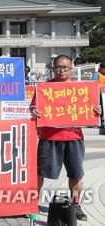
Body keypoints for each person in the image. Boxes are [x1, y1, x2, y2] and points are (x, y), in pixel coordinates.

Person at [30, 55, 102, 221]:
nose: (61, 70)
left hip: (73, 136)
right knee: (40, 174)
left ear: (71, 69)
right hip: (49, 137)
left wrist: (97, 110)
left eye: (65, 67)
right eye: (58, 67)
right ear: (53, 69)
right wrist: (33, 111)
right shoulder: (44, 88)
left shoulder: (81, 88)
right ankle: (33, 204)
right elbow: (33, 107)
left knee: (76, 174)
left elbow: (92, 110)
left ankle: (76, 205)